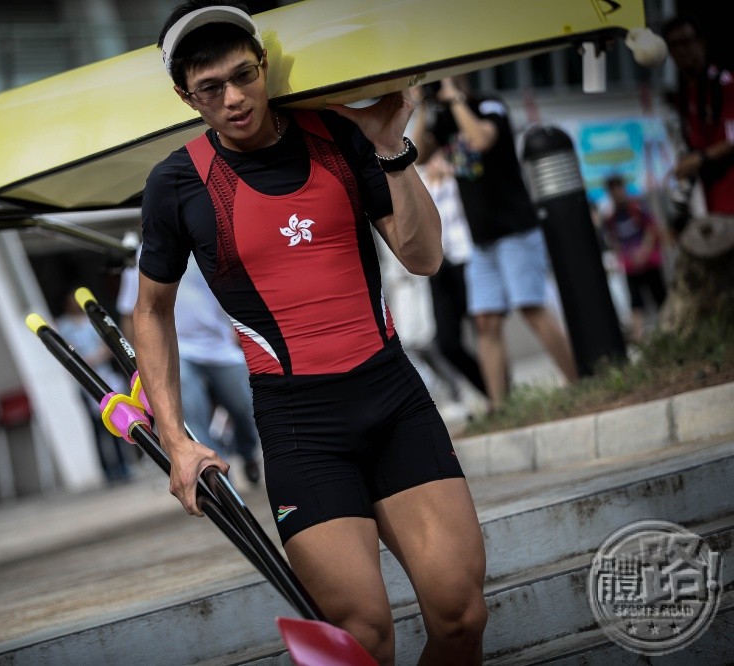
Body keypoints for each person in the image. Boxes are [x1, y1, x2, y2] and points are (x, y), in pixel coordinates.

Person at [132, 3, 487, 663]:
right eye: (212, 89)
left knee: (461, 615)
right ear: (186, 96)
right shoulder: (176, 183)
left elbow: (424, 257)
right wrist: (176, 440)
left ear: (264, 66)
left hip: (394, 399)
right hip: (301, 426)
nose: (235, 99)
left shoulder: (339, 136)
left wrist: (390, 151)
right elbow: (150, 311)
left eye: (244, 76)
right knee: (363, 638)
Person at [411, 76, 578, 410]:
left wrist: (456, 99)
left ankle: (578, 383)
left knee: (531, 308)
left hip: (515, 229)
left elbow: (481, 139)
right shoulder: (442, 118)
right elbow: (417, 154)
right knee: (486, 320)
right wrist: (423, 105)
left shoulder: (488, 104)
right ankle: (500, 406)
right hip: (481, 240)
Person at [118, 246, 261, 485]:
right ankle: (219, 479)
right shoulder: (139, 257)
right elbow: (130, 311)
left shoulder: (204, 242)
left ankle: (247, 452)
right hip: (178, 347)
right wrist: (139, 357)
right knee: (193, 415)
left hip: (220, 345)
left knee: (245, 407)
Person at [420, 150, 488, 402]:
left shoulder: (461, 165)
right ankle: (489, 388)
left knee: (485, 329)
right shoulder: (419, 176)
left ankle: (500, 395)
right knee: (446, 342)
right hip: (439, 265)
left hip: (468, 257)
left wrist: (451, 168)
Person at [56, 291, 133, 484]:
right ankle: (108, 470)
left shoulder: (92, 320)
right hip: (86, 383)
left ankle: (124, 465)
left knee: (116, 423)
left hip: (105, 377)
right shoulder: (64, 325)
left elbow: (109, 344)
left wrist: (96, 357)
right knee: (97, 429)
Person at [662, 14, 734, 218]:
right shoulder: (681, 97)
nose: (682, 51)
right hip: (709, 208)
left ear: (700, 42)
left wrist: (699, 159)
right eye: (674, 45)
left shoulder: (724, 83)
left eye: (686, 42)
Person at [601, 175, 668, 341]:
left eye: (619, 188)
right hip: (631, 266)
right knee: (636, 303)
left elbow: (651, 229)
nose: (617, 193)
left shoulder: (637, 208)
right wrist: (622, 257)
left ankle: (670, 331)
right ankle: (638, 340)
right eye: (613, 190)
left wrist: (645, 251)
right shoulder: (612, 218)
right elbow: (614, 240)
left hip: (649, 263)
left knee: (661, 299)